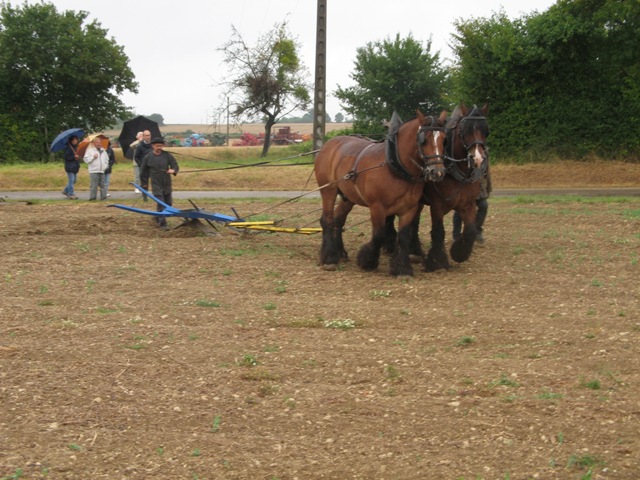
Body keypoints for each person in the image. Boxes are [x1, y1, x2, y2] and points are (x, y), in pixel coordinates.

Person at [140, 137, 179, 230]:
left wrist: (173, 170)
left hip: (166, 183)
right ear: (153, 146)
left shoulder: (167, 155)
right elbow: (143, 172)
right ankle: (163, 223)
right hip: (156, 183)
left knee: (169, 203)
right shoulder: (148, 157)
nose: (159, 148)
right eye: (157, 146)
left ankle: (157, 217)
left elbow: (175, 164)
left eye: (161, 146)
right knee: (161, 203)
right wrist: (144, 183)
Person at [452, 170, 492, 246]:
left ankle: (476, 231)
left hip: (479, 189)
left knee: (484, 205)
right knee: (459, 211)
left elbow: (486, 172)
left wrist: (488, 187)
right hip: (464, 188)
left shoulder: (484, 158)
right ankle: (456, 234)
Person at [83, 136, 110, 201]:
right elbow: (86, 160)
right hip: (93, 171)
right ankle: (92, 198)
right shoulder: (90, 150)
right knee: (94, 186)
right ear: (94, 143)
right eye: (97, 142)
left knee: (103, 185)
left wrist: (105, 166)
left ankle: (103, 198)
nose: (99, 143)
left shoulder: (103, 150)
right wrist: (93, 157)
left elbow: (107, 159)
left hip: (102, 170)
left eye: (100, 142)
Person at [133, 130, 152, 194]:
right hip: (143, 167)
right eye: (146, 135)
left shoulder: (152, 145)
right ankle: (144, 196)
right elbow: (136, 157)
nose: (147, 137)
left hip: (151, 166)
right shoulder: (139, 146)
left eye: (148, 135)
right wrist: (141, 165)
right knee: (144, 182)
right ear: (143, 136)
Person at [62, 135, 80, 200]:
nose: (75, 141)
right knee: (71, 180)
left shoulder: (77, 148)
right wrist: (74, 157)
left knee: (74, 181)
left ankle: (65, 190)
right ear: (71, 141)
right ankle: (71, 194)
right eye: (74, 140)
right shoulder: (67, 148)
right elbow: (67, 157)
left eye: (76, 140)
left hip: (75, 166)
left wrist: (78, 157)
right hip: (69, 166)